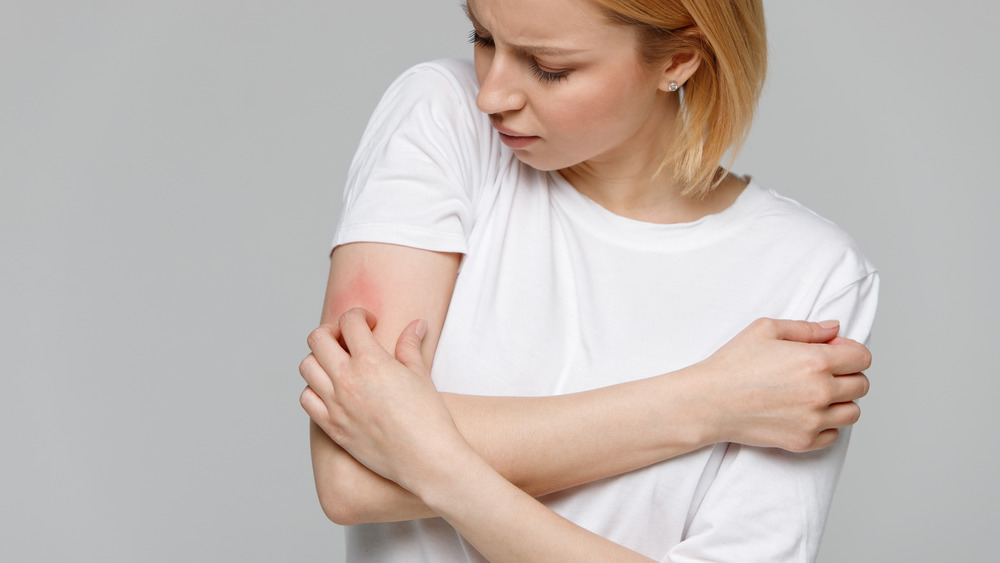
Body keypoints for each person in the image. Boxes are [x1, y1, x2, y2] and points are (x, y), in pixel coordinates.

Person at [299, 0, 878, 560]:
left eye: (550, 68)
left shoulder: (811, 271)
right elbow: (350, 477)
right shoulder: (442, 116)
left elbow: (378, 445)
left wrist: (439, 470)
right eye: (482, 39)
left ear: (679, 60)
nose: (491, 95)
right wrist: (707, 402)